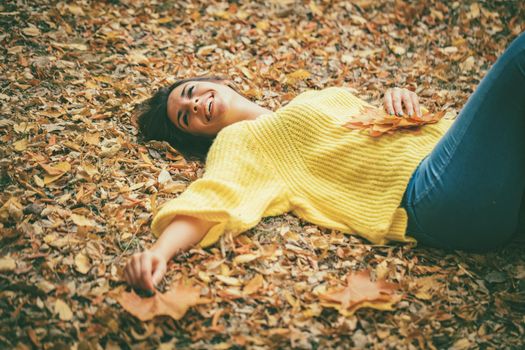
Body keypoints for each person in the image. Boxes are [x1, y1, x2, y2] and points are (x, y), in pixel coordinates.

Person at [124, 31, 525, 292]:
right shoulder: (240, 142)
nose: (196, 104)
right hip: (432, 197)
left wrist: (397, 102)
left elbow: (370, 135)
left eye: (192, 91)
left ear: (217, 82)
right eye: (185, 116)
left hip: (471, 174)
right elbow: (214, 197)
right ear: (195, 135)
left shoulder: (310, 100)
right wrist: (159, 252)